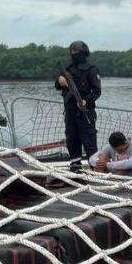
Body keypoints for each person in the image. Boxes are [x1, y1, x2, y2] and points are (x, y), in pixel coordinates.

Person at [54, 40, 101, 171]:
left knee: (89, 141)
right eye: (72, 53)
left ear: (84, 53)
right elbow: (57, 85)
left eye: (77, 53)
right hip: (70, 112)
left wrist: (86, 100)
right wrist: (60, 81)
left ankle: (95, 169)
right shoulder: (67, 69)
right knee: (72, 139)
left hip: (85, 111)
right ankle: (75, 167)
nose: (74, 55)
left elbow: (97, 91)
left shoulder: (91, 69)